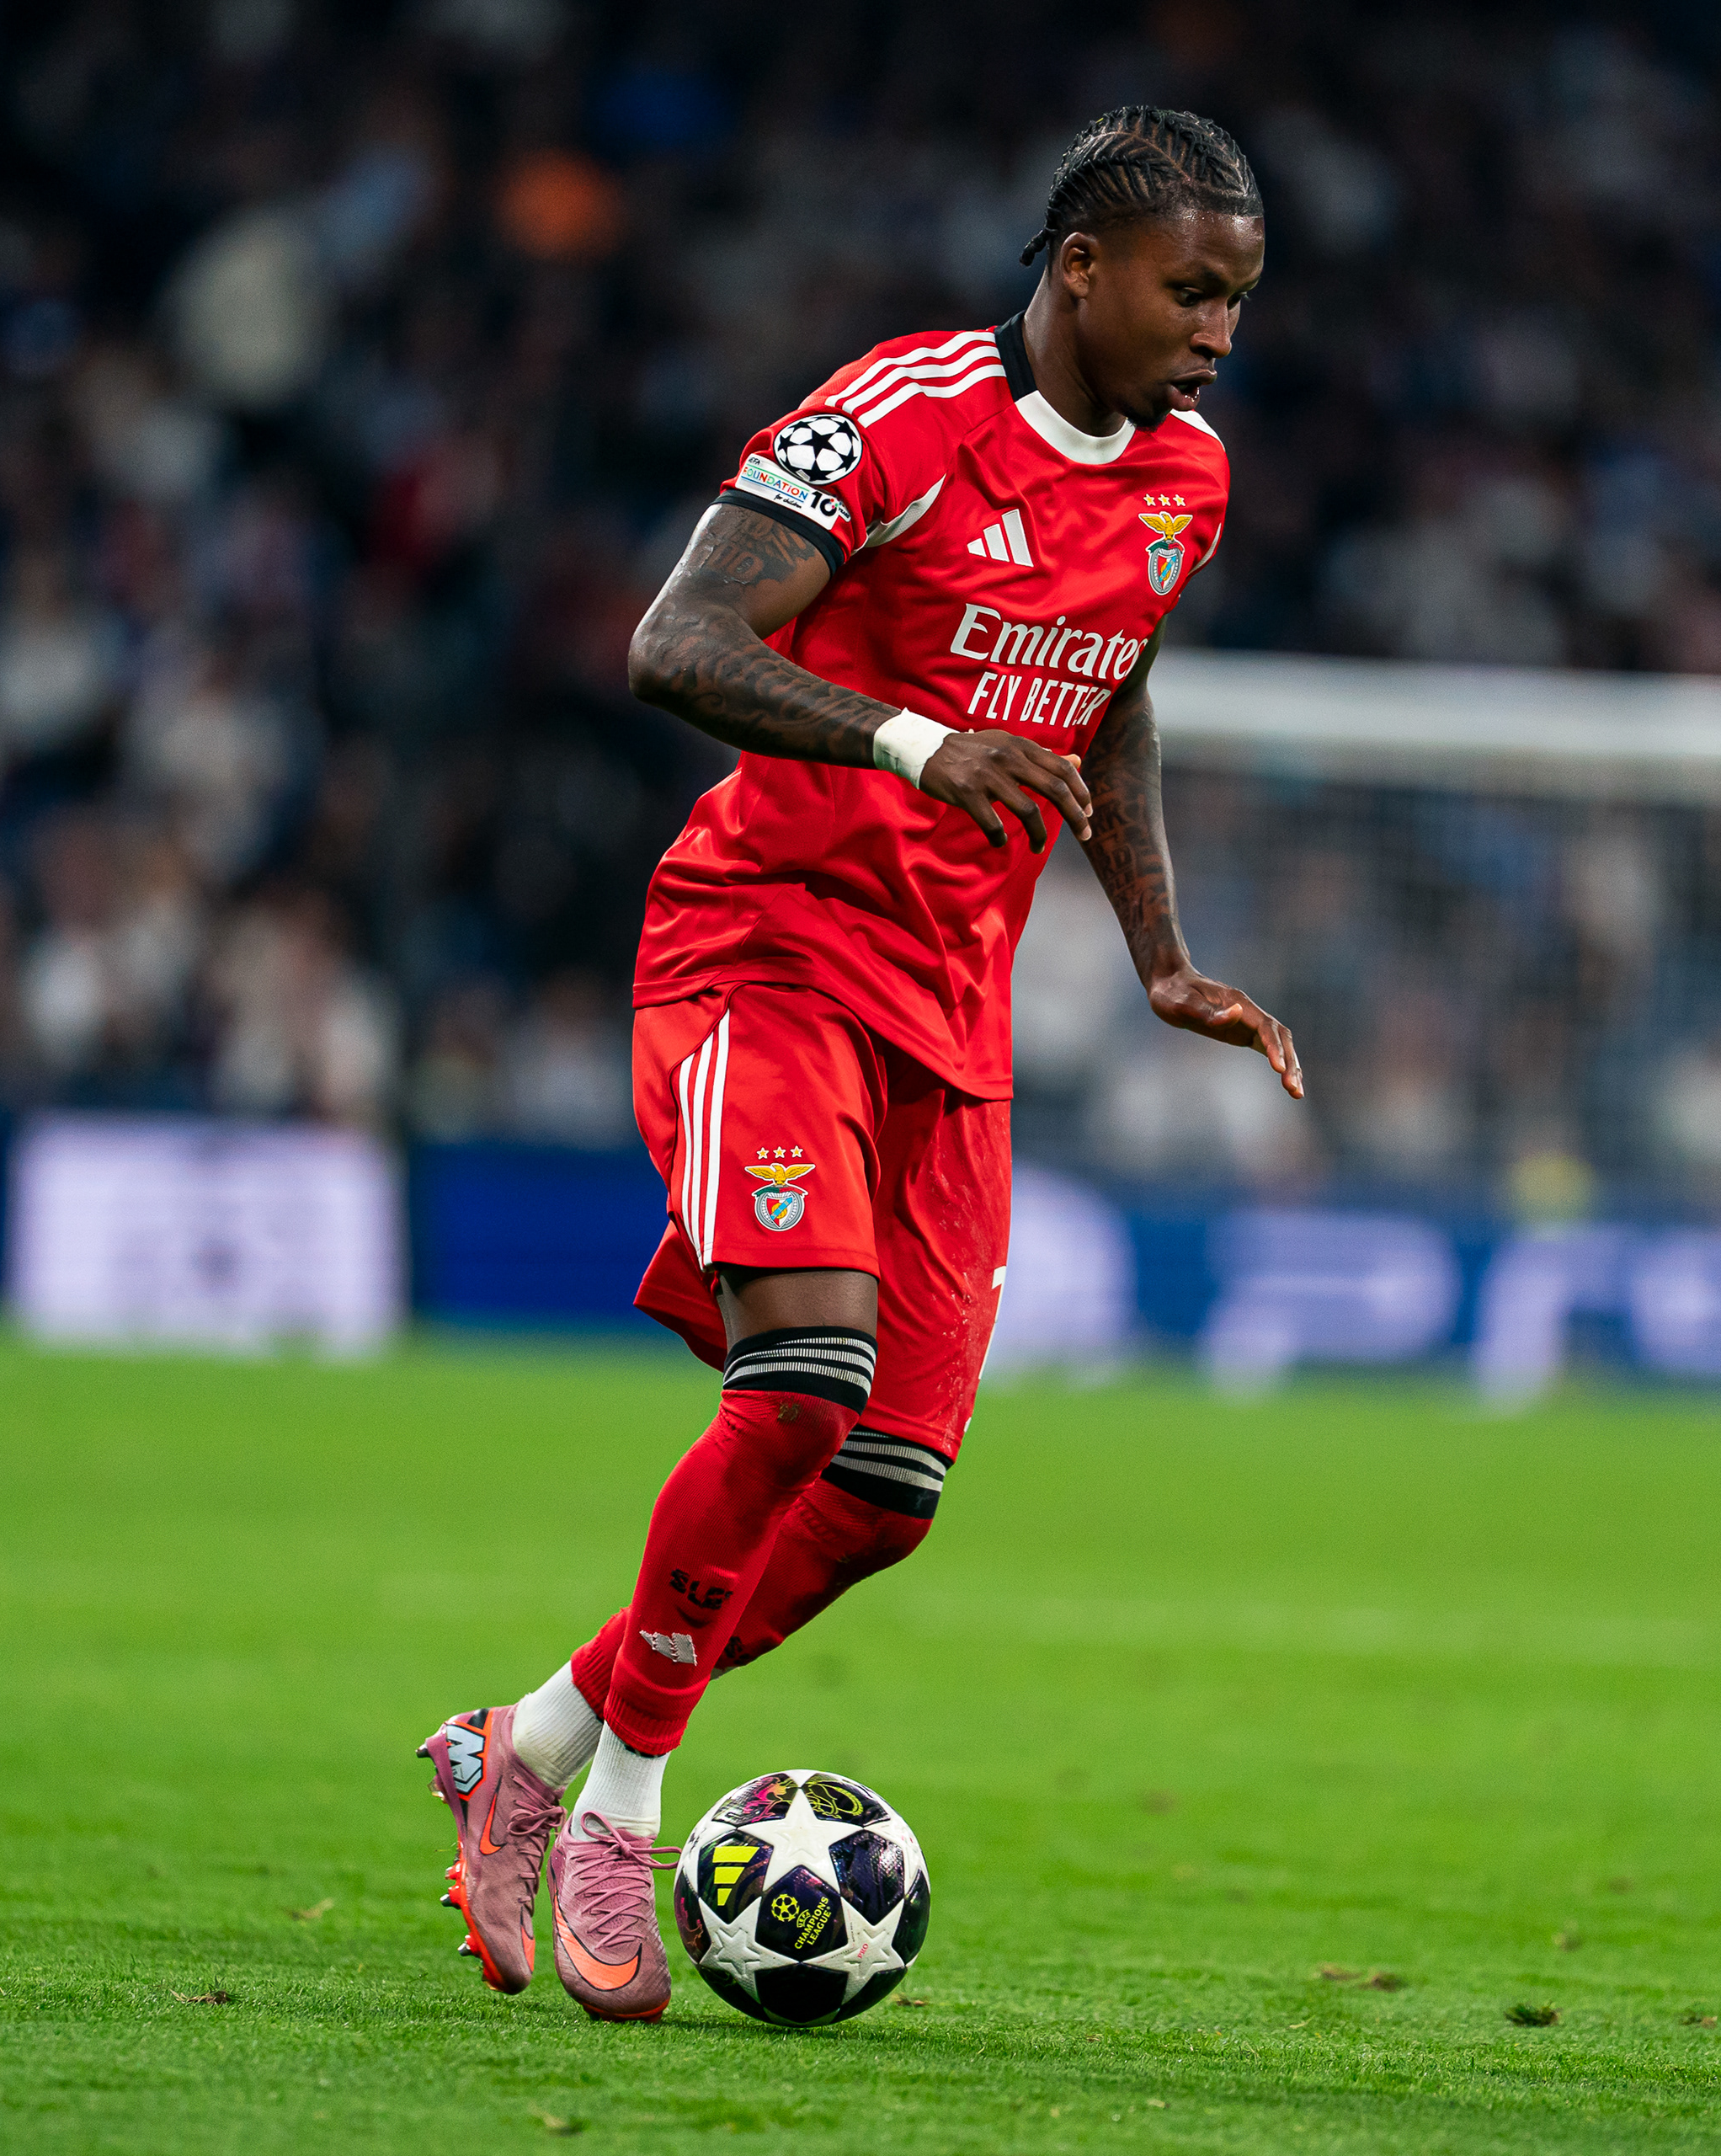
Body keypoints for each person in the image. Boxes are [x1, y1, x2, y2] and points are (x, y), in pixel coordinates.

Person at [418, 106, 1303, 2022]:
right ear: (1082, 266)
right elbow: (674, 642)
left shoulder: (1189, 477)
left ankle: (532, 1739)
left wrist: (1159, 955)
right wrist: (909, 742)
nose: (1219, 331)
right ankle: (613, 1818)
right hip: (768, 954)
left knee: (885, 1491)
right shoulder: (896, 419)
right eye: (1191, 289)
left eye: (1239, 297)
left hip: (949, 1013)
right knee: (805, 1383)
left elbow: (1117, 690)